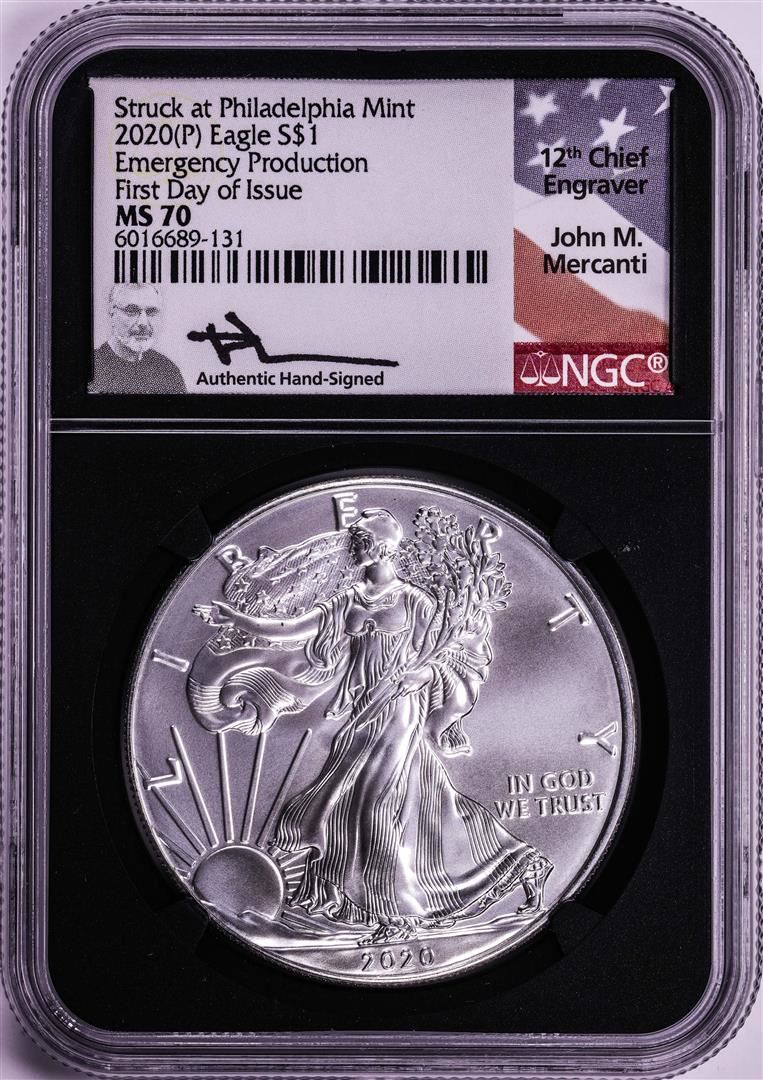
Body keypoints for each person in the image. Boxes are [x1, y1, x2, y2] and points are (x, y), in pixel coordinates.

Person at [206, 508, 552, 945]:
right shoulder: (348, 599)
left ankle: (397, 914)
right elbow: (292, 629)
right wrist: (238, 620)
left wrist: (422, 674)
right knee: (407, 804)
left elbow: (451, 652)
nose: (354, 546)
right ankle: (519, 864)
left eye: (362, 539)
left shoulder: (415, 601)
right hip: (363, 712)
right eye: (355, 538)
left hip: (401, 710)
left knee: (374, 808)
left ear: (384, 547)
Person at [89, 283, 186, 393]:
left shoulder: (168, 371)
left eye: (151, 312)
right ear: (112, 313)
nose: (143, 323)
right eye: (131, 311)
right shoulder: (92, 367)